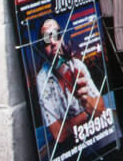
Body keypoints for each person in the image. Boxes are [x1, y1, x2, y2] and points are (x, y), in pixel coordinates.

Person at [34, 18, 107, 147]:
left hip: (91, 138)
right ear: (42, 47)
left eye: (56, 35)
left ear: (62, 38)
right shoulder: (42, 79)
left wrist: (86, 100)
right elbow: (59, 134)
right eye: (46, 39)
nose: (52, 42)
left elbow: (101, 109)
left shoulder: (77, 65)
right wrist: (88, 112)